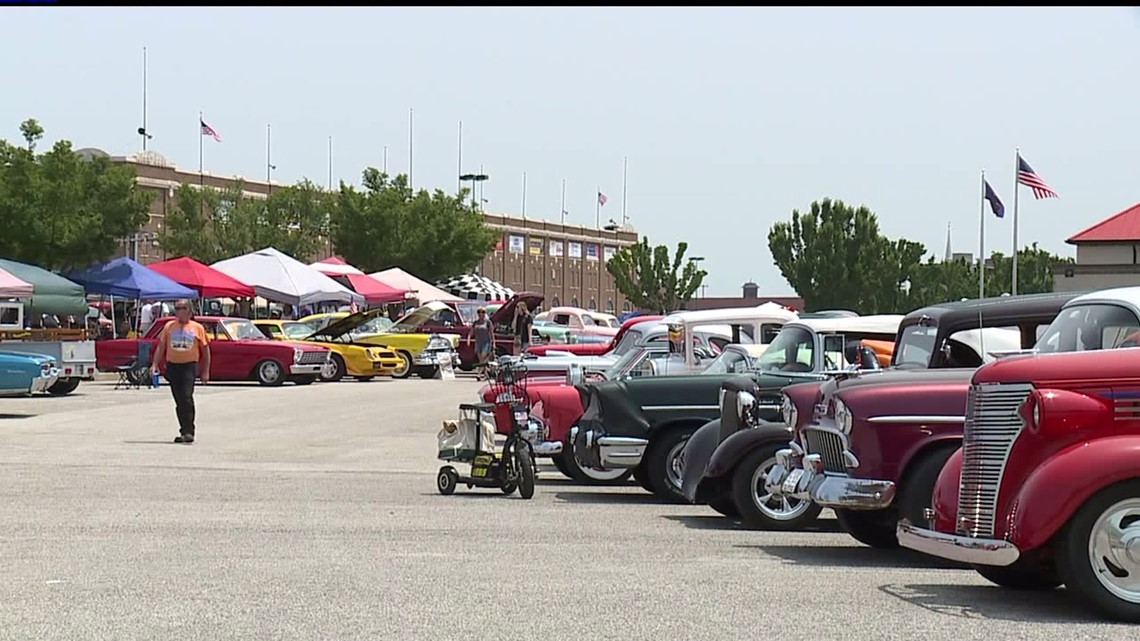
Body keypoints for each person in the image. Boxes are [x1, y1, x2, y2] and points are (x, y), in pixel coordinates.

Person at [151, 299, 211, 444]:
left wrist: (205, 371)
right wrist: (154, 364)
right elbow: (161, 346)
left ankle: (189, 431)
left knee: (186, 397)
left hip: (189, 367)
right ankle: (183, 430)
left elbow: (206, 350)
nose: (178, 311)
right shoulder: (169, 327)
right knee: (179, 400)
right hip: (173, 366)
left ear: (189, 310)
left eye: (181, 308)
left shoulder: (197, 328)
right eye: (176, 308)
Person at [469, 307, 494, 379]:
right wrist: (469, 339)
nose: (481, 314)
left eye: (483, 312)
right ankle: (486, 374)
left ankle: (479, 374)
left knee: (483, 357)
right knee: (481, 360)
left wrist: (494, 343)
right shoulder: (476, 323)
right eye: (479, 312)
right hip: (478, 342)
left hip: (486, 342)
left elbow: (491, 333)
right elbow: (471, 332)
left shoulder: (488, 322)